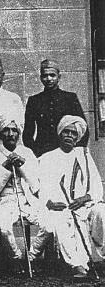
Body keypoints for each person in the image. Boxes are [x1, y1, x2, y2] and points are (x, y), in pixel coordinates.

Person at [37, 115, 105, 278]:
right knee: (62, 221)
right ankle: (77, 265)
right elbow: (39, 186)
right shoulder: (47, 158)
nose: (69, 136)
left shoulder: (84, 155)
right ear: (60, 134)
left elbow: (96, 185)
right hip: (61, 205)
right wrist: (49, 202)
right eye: (66, 132)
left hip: (85, 203)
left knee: (102, 212)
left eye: (74, 133)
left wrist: (85, 198)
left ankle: (101, 256)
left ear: (78, 137)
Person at [0, 115, 45, 269]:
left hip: (28, 201)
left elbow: (36, 186)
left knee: (48, 224)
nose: (11, 134)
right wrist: (5, 167)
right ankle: (17, 258)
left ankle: (31, 257)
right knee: (4, 228)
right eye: (6, 130)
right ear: (0, 133)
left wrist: (22, 165)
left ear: (19, 133)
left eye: (14, 130)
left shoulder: (27, 152)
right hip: (4, 202)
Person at [24, 59, 88, 157]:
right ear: (41, 78)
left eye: (52, 75)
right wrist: (35, 153)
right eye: (45, 76)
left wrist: (75, 151)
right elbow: (27, 134)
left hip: (66, 152)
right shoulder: (34, 101)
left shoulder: (70, 98)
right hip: (42, 152)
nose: (49, 79)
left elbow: (84, 129)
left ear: (59, 77)